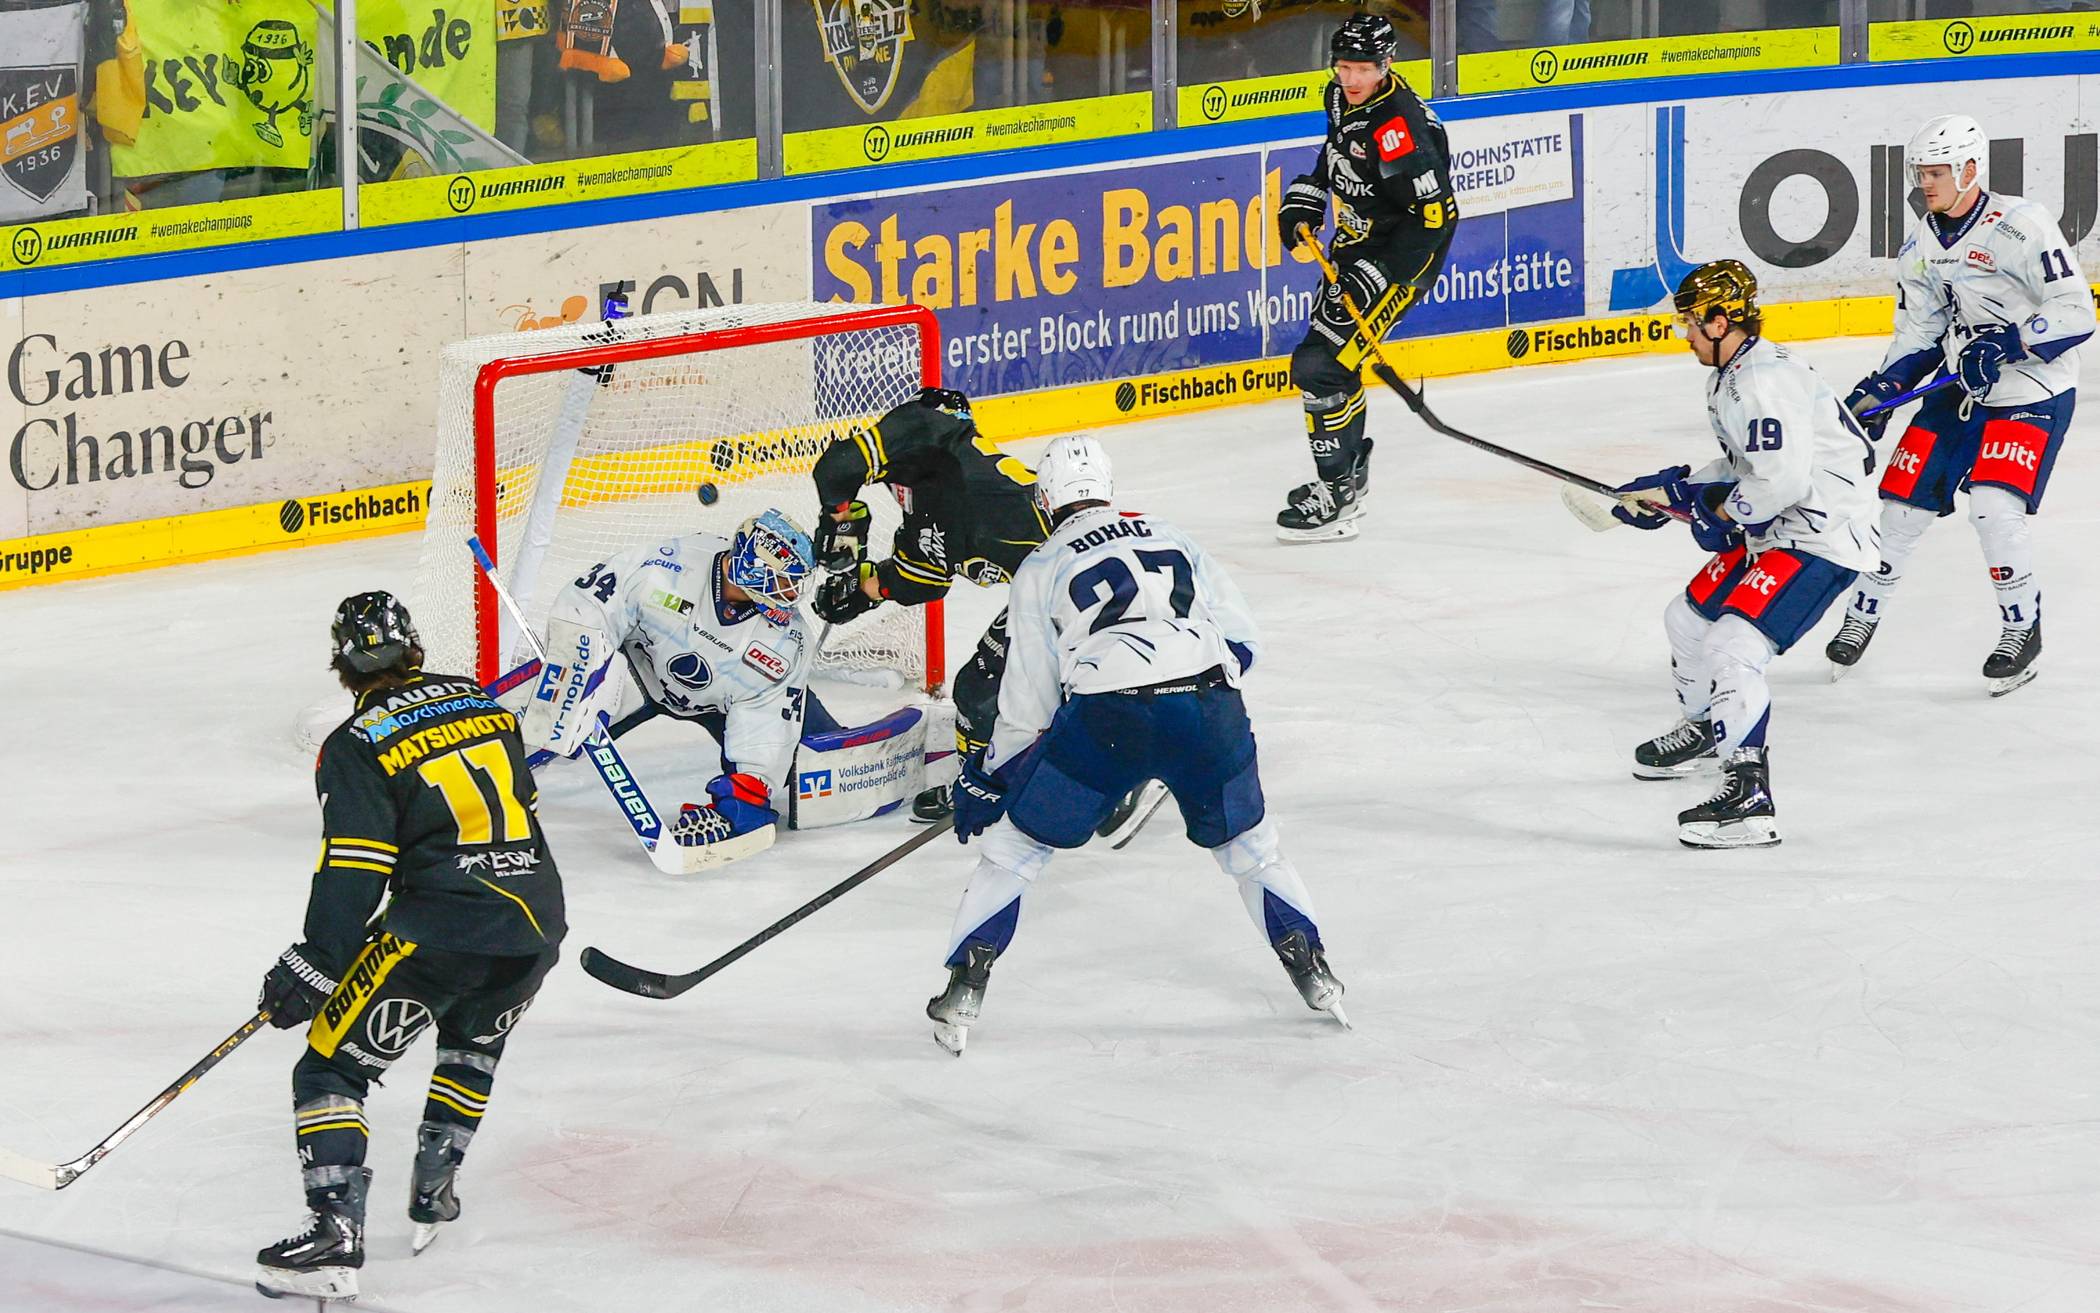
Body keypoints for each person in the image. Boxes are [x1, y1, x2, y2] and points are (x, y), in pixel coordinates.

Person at [927, 434, 1348, 1054]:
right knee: (1252, 851)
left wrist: (989, 776)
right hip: (1210, 707)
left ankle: (964, 989)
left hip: (1109, 720)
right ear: (1108, 489)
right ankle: (1315, 973)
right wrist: (1185, 684)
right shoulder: (1173, 536)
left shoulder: (1042, 565)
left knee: (1014, 850)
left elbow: (1027, 703)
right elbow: (1243, 640)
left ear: (1045, 500)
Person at [254, 592, 567, 1300]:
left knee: (329, 1070)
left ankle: (336, 1234)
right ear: (415, 648)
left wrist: (317, 961)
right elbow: (524, 814)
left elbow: (356, 867)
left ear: (343, 666)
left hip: (440, 932)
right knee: (473, 1040)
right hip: (535, 925)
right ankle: (435, 1187)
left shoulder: (355, 744)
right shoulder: (486, 705)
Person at [1610, 261, 1880, 849]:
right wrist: (1671, 491)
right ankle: (1711, 728)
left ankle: (1749, 799)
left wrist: (1719, 513)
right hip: (1780, 524)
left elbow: (1778, 483)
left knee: (1733, 645)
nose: (1683, 334)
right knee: (1686, 620)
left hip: (1820, 534)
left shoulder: (1760, 382)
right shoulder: (1733, 372)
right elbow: (1748, 467)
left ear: (1719, 320)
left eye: (1688, 323)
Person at [1824, 114, 2092, 695]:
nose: (1926, 181)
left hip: (2032, 393)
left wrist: (2009, 342)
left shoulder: (2021, 225)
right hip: (1961, 390)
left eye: (1937, 171)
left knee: (1994, 509)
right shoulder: (1921, 241)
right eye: (1921, 172)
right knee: (1897, 508)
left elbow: (2075, 311)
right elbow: (1920, 332)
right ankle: (1862, 615)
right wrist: (1885, 388)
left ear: (1971, 170)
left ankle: (2023, 627)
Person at [809, 386, 1050, 822]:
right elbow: (916, 577)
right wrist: (858, 592)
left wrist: (839, 518)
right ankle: (989, 779)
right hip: (1048, 594)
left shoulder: (935, 435)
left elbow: (838, 467)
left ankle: (1102, 761)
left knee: (993, 691)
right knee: (980, 691)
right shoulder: (933, 503)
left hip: (1074, 586)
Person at [522, 510, 816, 863]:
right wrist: (580, 672)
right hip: (636, 673)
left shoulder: (788, 642)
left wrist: (746, 793)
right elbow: (589, 604)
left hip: (720, 705)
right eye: (783, 582)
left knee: (803, 772)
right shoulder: (670, 567)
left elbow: (766, 720)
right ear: (750, 569)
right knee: (545, 725)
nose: (792, 594)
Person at [1271, 12, 1455, 543]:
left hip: (1401, 260)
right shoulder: (1342, 99)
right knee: (1333, 364)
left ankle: (1338, 499)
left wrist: (1380, 273)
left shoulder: (1399, 131)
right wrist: (1308, 195)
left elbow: (1436, 218)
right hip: (1355, 251)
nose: (1351, 79)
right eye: (1344, 66)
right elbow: (1338, 154)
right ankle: (1346, 478)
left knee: (1319, 365)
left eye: (1363, 68)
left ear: (1387, 64)